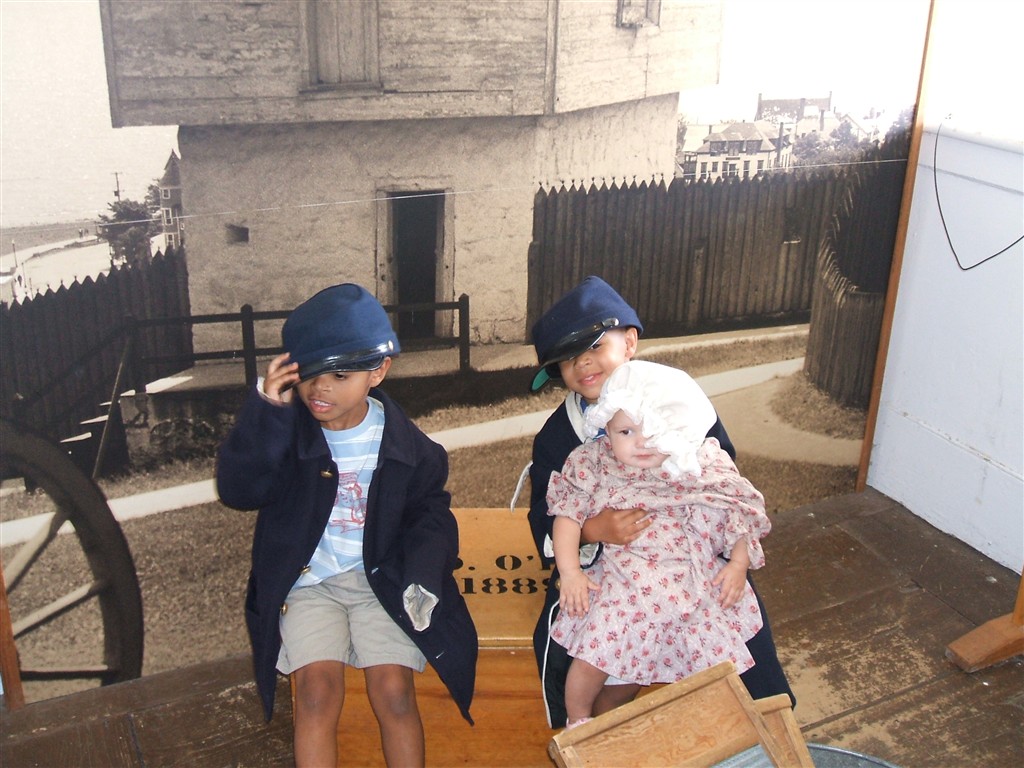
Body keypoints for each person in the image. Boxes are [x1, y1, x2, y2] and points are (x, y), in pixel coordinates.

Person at [217, 283, 477, 767]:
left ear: (378, 371)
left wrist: (422, 577)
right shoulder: (287, 435)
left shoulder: (407, 447)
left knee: (394, 691)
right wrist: (266, 413)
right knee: (316, 693)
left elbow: (430, 517)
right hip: (310, 584)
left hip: (383, 580)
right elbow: (239, 489)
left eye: (340, 374)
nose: (321, 388)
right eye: (311, 373)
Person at [526, 275, 793, 728]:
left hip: (690, 553)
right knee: (574, 644)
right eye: (567, 360)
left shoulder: (678, 399)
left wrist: (725, 547)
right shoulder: (558, 437)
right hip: (611, 568)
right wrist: (595, 529)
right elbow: (546, 516)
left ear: (629, 342)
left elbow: (722, 471)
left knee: (739, 634)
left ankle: (764, 725)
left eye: (594, 346)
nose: (582, 363)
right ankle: (586, 732)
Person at [548, 360, 772, 728]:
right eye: (625, 432)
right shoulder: (597, 463)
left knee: (664, 672)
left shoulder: (698, 463)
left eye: (654, 431)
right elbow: (567, 515)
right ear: (605, 429)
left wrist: (738, 564)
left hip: (690, 586)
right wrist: (570, 572)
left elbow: (738, 513)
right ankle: (579, 721)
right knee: (595, 659)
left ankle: (704, 733)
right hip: (626, 589)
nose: (640, 442)